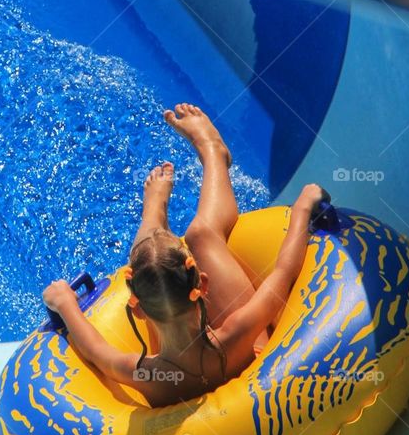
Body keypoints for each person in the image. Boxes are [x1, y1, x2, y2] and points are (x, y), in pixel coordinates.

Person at [42, 103, 323, 407]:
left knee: (149, 260)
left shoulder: (144, 374)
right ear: (203, 284)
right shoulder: (237, 333)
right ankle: (211, 155)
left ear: (137, 308)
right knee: (201, 235)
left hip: (174, 379)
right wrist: (302, 209)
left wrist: (66, 304)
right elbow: (283, 272)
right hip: (249, 370)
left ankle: (153, 213)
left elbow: (97, 351)